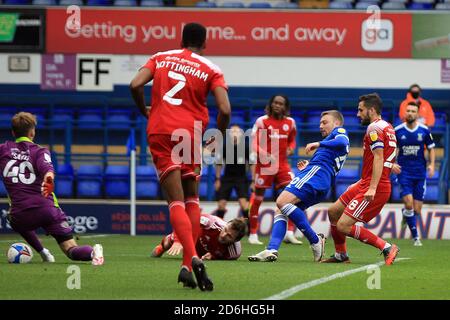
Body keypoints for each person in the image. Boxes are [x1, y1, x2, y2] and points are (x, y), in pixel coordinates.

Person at [130, 22, 231, 291]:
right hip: (190, 134)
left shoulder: (160, 58)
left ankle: (193, 257)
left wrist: (146, 111)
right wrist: (215, 138)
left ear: (181, 39)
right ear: (205, 43)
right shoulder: (211, 68)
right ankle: (187, 263)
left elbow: (135, 84)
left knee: (174, 202)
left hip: (161, 131)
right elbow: (225, 108)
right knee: (192, 198)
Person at [0, 112, 104, 265]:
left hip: (21, 214)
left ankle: (43, 252)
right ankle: (94, 253)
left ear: (13, 132)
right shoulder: (40, 151)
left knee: (12, 218)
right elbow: (47, 170)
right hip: (47, 209)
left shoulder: (3, 150)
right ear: (32, 132)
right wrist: (49, 178)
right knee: (70, 249)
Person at [248, 110, 349, 262]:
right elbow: (329, 161)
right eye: (320, 122)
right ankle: (272, 249)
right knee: (281, 209)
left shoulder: (339, 131)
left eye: (324, 122)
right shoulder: (330, 143)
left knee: (281, 202)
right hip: (319, 178)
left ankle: (315, 239)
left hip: (315, 175)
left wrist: (318, 144)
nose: (320, 125)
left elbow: (343, 141)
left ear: (336, 123)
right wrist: (309, 165)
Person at [323, 93, 400, 265]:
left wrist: (372, 187)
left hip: (375, 185)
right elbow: (389, 153)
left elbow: (379, 157)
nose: (358, 114)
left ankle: (387, 247)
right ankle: (341, 255)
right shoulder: (388, 126)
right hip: (367, 182)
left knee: (343, 225)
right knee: (333, 211)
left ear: (371, 110)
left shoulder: (373, 128)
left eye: (361, 110)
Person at [248, 95, 302, 245]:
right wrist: (265, 155)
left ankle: (289, 233)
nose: (278, 106)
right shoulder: (262, 122)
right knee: (258, 198)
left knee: (293, 195)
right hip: (265, 166)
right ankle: (253, 234)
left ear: (285, 107)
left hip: (283, 165)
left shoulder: (290, 123)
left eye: (281, 104)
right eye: (275, 103)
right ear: (270, 105)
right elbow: (254, 144)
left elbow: (292, 139)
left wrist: (291, 148)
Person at [395, 101, 435, 247]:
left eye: (413, 111)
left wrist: (431, 165)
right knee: (409, 203)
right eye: (408, 110)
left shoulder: (424, 131)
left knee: (416, 209)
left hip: (420, 173)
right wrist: (393, 163)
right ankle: (416, 237)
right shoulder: (398, 131)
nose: (410, 113)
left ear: (418, 114)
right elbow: (393, 149)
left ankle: (405, 214)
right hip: (404, 172)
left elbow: (431, 149)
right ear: (405, 113)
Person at [151, 213, 246, 261]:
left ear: (235, 240)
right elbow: (185, 221)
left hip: (201, 253)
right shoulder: (211, 222)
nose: (224, 235)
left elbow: (223, 259)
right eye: (225, 230)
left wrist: (213, 257)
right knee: (168, 243)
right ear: (226, 224)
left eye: (229, 236)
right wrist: (178, 240)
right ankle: (162, 247)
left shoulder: (234, 252)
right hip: (192, 238)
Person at [214, 124, 252, 229]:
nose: (234, 133)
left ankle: (250, 231)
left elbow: (252, 163)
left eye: (237, 131)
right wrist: (217, 179)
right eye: (232, 131)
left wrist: (253, 180)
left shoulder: (246, 146)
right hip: (227, 178)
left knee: (244, 204)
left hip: (241, 178)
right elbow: (219, 164)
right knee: (221, 204)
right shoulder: (225, 146)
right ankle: (218, 228)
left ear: (241, 134)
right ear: (229, 134)